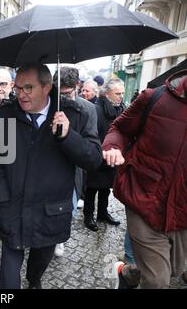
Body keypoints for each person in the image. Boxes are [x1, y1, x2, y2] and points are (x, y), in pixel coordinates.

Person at [0, 63, 102, 289]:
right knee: (8, 278)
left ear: (47, 87)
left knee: (37, 269)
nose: (21, 94)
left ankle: (34, 280)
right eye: (18, 88)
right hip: (13, 208)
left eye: (28, 88)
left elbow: (93, 159)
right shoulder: (4, 115)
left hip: (51, 212)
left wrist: (68, 136)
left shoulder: (74, 115)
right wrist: (1, 201)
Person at [103, 70, 187, 289]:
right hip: (144, 198)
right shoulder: (154, 97)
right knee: (158, 280)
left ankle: (126, 273)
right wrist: (112, 147)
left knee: (173, 269)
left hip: (182, 211)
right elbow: (119, 129)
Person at [52, 66, 99, 256]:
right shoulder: (47, 103)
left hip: (73, 169)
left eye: (66, 93)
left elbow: (92, 150)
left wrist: (68, 136)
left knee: (68, 209)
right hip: (48, 167)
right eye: (58, 92)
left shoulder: (88, 109)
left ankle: (60, 238)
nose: (62, 98)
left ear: (76, 86)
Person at [84, 78, 125, 231]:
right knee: (91, 188)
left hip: (112, 155)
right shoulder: (96, 109)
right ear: (107, 94)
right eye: (117, 93)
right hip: (97, 154)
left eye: (122, 93)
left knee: (106, 188)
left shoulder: (121, 108)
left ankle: (102, 212)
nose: (121, 96)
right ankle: (88, 215)